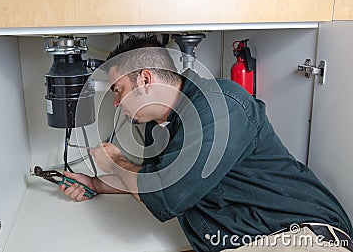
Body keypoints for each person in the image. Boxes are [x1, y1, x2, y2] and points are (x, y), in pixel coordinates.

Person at [59, 35, 353, 251]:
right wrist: (96, 183)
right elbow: (147, 182)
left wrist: (115, 161)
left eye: (119, 90)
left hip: (301, 238)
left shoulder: (219, 105)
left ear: (145, 79)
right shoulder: (161, 127)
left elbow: (163, 196)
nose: (116, 103)